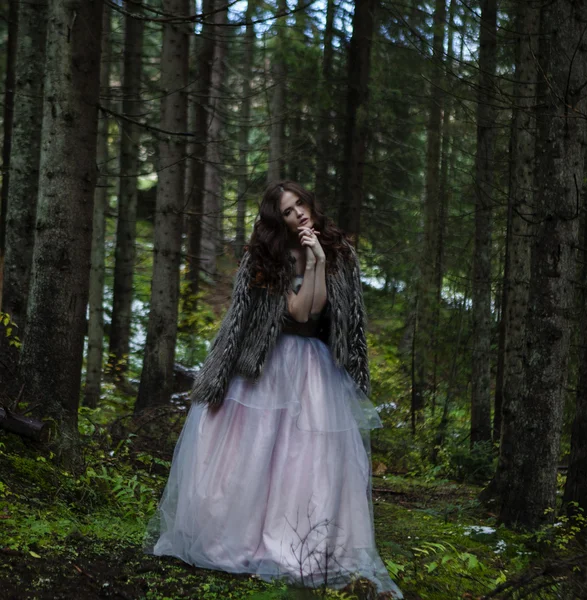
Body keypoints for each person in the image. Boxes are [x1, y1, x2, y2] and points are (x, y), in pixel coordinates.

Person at [144, 181, 402, 598]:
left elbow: (326, 316)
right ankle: (240, 537)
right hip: (267, 364)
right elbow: (299, 311)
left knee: (305, 460)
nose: (298, 213)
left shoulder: (341, 252)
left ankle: (301, 542)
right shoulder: (267, 257)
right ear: (276, 220)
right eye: (287, 210)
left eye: (300, 203)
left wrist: (319, 258)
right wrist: (312, 262)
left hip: (317, 370)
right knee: (256, 454)